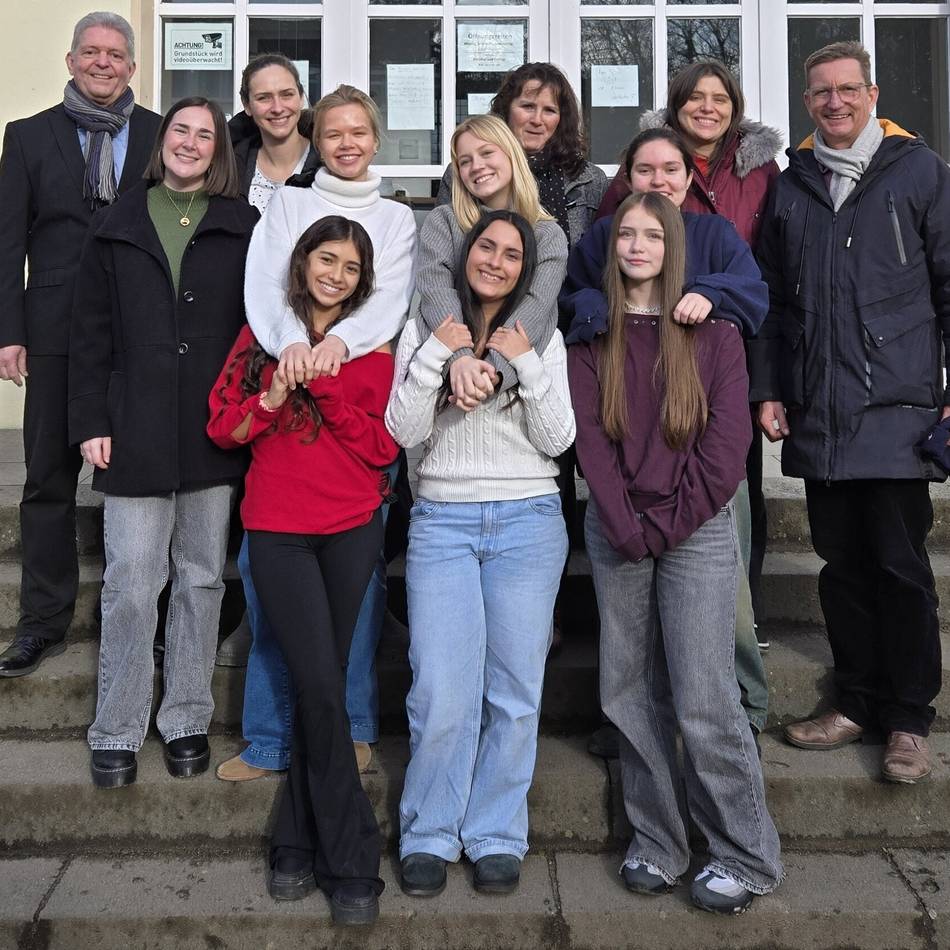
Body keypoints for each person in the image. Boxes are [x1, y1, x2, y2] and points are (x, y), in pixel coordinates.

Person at [570, 190, 783, 915]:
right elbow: (590, 442)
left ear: (673, 248)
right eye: (625, 234)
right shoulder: (592, 332)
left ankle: (745, 853)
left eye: (651, 236)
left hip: (696, 528)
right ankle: (658, 843)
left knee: (703, 692)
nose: (637, 246)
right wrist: (625, 524)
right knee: (629, 690)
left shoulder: (712, 331)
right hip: (618, 528)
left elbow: (727, 448)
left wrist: (670, 524)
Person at [753, 41, 950, 784]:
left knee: (900, 568)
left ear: (872, 94)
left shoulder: (920, 172)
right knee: (841, 568)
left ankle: (909, 721)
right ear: (806, 102)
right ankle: (856, 701)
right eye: (820, 92)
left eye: (846, 89)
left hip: (898, 408)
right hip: (820, 411)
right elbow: (773, 301)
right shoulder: (792, 185)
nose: (834, 102)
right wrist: (770, 387)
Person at [216, 84, 416, 783]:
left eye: (359, 132)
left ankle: (352, 727)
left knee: (356, 601)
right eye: (333, 133)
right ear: (315, 140)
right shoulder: (288, 203)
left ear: (376, 139)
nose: (347, 143)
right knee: (273, 596)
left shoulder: (396, 218)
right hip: (288, 404)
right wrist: (294, 347)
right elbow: (264, 288)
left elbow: (387, 300)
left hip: (352, 408)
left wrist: (336, 347)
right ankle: (270, 738)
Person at [68, 97, 258, 788]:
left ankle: (185, 717)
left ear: (218, 151)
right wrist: (90, 420)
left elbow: (258, 328)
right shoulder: (116, 223)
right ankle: (117, 727)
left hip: (211, 428)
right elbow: (88, 330)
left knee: (201, 579)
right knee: (131, 582)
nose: (191, 143)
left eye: (206, 135)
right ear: (161, 140)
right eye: (181, 130)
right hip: (135, 425)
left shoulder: (242, 225)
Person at [209, 215, 393, 926]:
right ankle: (353, 859)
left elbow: (383, 448)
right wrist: (274, 396)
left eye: (350, 267)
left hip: (350, 529)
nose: (336, 276)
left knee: (323, 684)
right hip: (278, 531)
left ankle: (293, 840)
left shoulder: (372, 347)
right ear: (303, 261)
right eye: (326, 260)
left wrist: (329, 389)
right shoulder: (260, 336)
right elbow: (223, 427)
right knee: (317, 683)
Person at [560, 127, 770, 751]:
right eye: (645, 169)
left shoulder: (714, 235)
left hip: (697, 452)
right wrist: (595, 310)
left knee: (722, 611)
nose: (659, 180)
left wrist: (709, 291)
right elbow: (575, 295)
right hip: (630, 443)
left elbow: (753, 293)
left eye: (671, 169)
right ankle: (635, 728)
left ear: (688, 176)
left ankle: (743, 709)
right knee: (630, 635)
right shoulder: (606, 235)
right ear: (627, 177)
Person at [387, 209, 574, 898]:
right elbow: (402, 429)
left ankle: (496, 831)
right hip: (443, 523)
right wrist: (438, 357)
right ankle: (430, 830)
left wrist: (523, 363)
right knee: (440, 689)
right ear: (465, 254)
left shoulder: (540, 335)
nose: (495, 261)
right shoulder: (426, 326)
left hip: (528, 520)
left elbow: (558, 439)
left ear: (525, 270)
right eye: (485, 247)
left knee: (515, 692)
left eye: (511, 254)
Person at [598, 62, 783, 649]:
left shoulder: (759, 172)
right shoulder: (639, 178)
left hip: (722, 364)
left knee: (730, 499)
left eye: (719, 97)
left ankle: (738, 649)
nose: (707, 107)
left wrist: (714, 294)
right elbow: (596, 270)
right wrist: (597, 314)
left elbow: (761, 277)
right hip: (637, 375)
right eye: (695, 97)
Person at [0, 11, 162, 677]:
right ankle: (42, 622)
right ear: (71, 61)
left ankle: (144, 616)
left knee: (143, 478)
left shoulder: (159, 134)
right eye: (91, 52)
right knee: (47, 477)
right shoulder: (28, 136)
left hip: (137, 331)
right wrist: (9, 331)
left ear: (131, 67)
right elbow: (8, 241)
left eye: (115, 54)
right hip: (54, 329)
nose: (103, 63)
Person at [215, 54, 320, 671]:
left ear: (300, 97)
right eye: (263, 97)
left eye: (286, 94)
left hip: (315, 340)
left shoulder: (327, 161)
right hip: (238, 334)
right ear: (248, 105)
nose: (276, 107)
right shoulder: (229, 164)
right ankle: (246, 617)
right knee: (242, 474)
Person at [419, 114, 567, 412]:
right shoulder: (444, 221)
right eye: (465, 161)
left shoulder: (548, 235)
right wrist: (460, 360)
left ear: (511, 155)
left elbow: (536, 308)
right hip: (449, 377)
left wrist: (493, 374)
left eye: (487, 153)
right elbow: (436, 292)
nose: (476, 166)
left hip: (517, 388)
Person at [437, 62, 607, 251]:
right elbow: (444, 245)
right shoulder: (468, 172)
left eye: (549, 110)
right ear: (506, 110)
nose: (537, 120)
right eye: (528, 106)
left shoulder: (590, 180)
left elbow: (599, 256)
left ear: (562, 119)